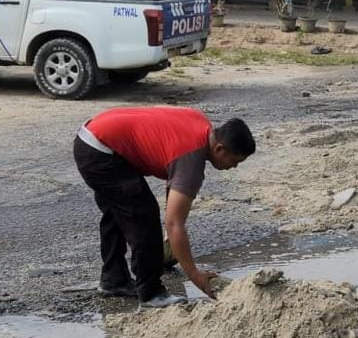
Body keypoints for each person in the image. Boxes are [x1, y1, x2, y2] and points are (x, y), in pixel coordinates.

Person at [73, 107, 255, 307]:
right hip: (100, 151)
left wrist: (170, 242)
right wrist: (194, 274)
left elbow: (175, 184)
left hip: (93, 136)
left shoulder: (201, 124)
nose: (234, 166)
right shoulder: (191, 160)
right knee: (143, 215)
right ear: (219, 149)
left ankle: (113, 280)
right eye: (234, 161)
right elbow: (173, 223)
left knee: (120, 211)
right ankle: (151, 293)